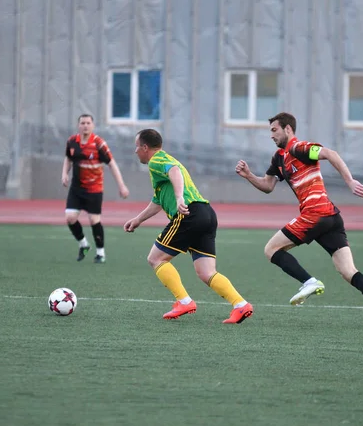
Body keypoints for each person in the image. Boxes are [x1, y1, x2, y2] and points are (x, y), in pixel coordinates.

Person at [234, 112, 363, 327]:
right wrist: (249, 176)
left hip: (315, 213)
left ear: (288, 129)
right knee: (347, 271)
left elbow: (330, 154)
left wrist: (350, 181)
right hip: (330, 217)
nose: (271, 135)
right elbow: (268, 186)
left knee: (271, 250)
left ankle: (310, 282)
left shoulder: (297, 147)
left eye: (274, 130)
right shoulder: (279, 157)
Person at [123, 129, 254, 324]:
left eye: (137, 147)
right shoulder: (161, 165)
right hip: (206, 214)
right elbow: (158, 201)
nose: (135, 151)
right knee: (206, 272)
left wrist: (178, 198)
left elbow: (174, 171)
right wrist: (138, 219)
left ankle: (184, 301)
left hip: (189, 214)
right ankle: (240, 304)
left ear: (145, 147)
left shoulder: (157, 160)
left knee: (155, 258)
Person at [62, 114, 129, 263]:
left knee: (94, 220)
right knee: (70, 218)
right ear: (78, 125)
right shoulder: (72, 142)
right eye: (82, 123)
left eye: (88, 123)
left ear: (92, 125)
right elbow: (68, 158)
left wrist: (121, 185)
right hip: (76, 188)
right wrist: (64, 174)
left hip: (94, 189)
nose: (85, 125)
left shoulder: (99, 144)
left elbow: (112, 164)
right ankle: (83, 244)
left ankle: (100, 253)